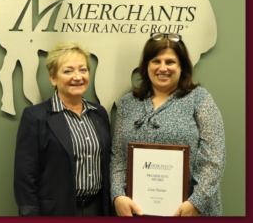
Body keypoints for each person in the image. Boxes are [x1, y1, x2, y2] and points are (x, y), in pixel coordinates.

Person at [110, 33, 225, 217]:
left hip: (190, 211)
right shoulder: (128, 103)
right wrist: (117, 195)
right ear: (146, 65)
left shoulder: (199, 99)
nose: (162, 68)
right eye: (156, 61)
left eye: (170, 62)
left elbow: (214, 158)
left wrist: (197, 202)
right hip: (138, 211)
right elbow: (118, 157)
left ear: (182, 67)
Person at [14, 42, 111, 216]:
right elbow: (25, 177)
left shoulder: (99, 114)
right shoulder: (36, 117)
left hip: (97, 210)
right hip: (56, 212)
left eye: (83, 70)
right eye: (68, 71)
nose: (78, 77)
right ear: (53, 78)